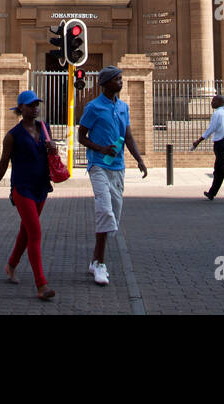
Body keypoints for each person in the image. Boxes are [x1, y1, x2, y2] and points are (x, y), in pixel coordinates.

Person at [0, 89, 56, 300]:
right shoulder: (12, 136)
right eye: (31, 104)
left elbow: (50, 155)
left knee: (26, 232)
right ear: (20, 108)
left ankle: (11, 265)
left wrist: (53, 148)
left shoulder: (45, 128)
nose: (35, 108)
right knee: (34, 232)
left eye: (37, 104)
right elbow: (2, 164)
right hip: (22, 189)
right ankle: (41, 285)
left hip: (41, 187)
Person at [77, 66, 146, 286]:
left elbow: (128, 137)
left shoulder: (124, 107)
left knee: (113, 215)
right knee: (105, 211)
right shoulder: (93, 107)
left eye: (121, 79)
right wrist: (100, 149)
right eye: (117, 79)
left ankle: (95, 260)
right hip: (98, 165)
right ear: (105, 83)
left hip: (118, 167)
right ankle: (100, 264)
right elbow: (81, 136)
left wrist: (139, 159)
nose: (121, 82)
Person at [191, 94, 224, 203]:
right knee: (218, 170)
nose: (211, 102)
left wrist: (198, 141)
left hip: (221, 145)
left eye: (213, 101)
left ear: (219, 102)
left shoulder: (217, 114)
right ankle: (212, 193)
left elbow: (211, 129)